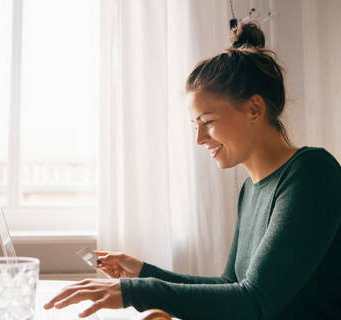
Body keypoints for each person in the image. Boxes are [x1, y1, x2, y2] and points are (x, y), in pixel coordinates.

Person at [44, 22, 341, 319]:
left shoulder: (312, 174)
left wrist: (136, 291)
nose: (199, 139)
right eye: (195, 125)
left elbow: (253, 301)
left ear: (254, 109)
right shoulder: (250, 189)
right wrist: (143, 274)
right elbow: (231, 286)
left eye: (208, 121)